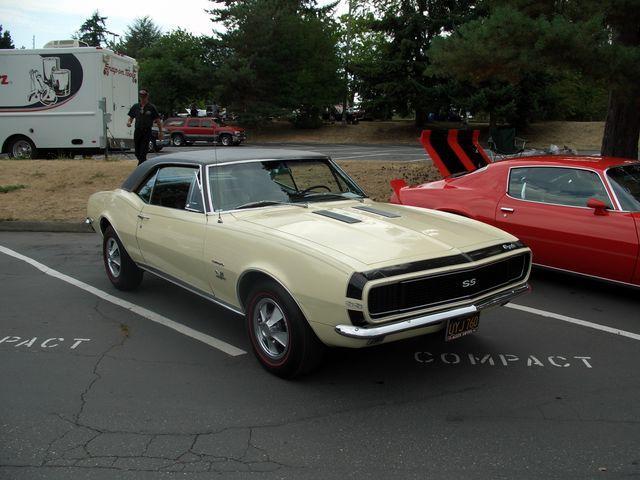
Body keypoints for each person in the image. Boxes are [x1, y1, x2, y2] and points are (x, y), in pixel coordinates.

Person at [127, 89, 162, 165]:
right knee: (137, 152)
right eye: (141, 96)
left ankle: (140, 166)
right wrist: (129, 122)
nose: (142, 98)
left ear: (147, 96)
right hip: (138, 131)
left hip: (146, 131)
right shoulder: (135, 106)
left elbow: (158, 120)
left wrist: (160, 131)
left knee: (143, 151)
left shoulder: (151, 107)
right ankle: (144, 163)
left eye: (144, 96)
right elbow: (131, 118)